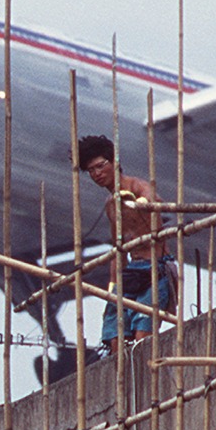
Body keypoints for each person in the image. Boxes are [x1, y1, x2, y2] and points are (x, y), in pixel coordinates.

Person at [77, 135, 178, 354]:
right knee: (115, 338)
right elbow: (118, 251)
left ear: (114, 162)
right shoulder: (111, 205)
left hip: (155, 267)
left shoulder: (136, 186)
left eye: (101, 166)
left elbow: (155, 200)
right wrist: (113, 288)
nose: (97, 174)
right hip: (131, 272)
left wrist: (139, 203)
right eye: (91, 170)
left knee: (143, 336)